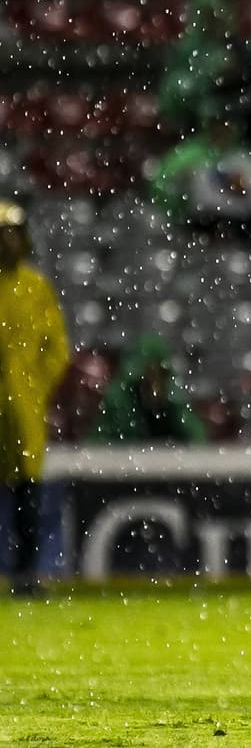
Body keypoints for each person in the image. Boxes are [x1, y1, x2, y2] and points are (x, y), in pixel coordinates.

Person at [0, 201, 70, 596]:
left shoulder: (34, 287)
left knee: (27, 495)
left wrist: (34, 386)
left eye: (12, 234)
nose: (7, 243)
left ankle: (26, 575)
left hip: (24, 404)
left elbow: (57, 348)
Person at [90, 332, 206, 445]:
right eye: (149, 372)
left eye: (159, 373)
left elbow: (195, 438)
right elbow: (104, 441)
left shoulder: (174, 400)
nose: (154, 381)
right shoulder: (121, 400)